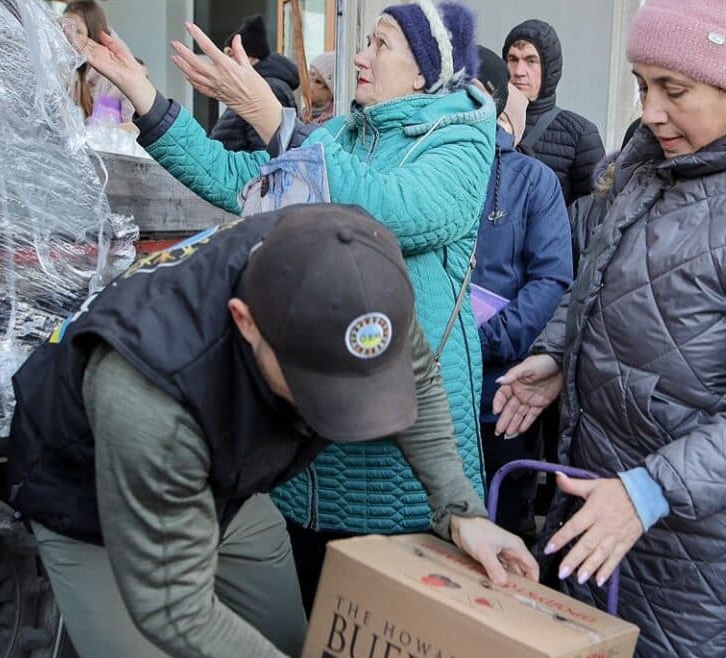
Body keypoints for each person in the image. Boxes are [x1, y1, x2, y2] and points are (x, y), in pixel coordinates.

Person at [66, 1, 494, 609]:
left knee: (379, 633)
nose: (361, 56)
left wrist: (274, 118)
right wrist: (145, 98)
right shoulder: (347, 133)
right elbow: (243, 180)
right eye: (366, 40)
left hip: (400, 435)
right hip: (312, 433)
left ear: (425, 73)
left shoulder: (461, 142)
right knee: (307, 618)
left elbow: (385, 210)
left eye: (381, 45)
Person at [7, 204, 537, 658]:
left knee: (288, 644)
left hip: (231, 477)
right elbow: (173, 607)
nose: (335, 414)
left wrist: (462, 511)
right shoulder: (148, 394)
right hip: (95, 499)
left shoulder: (356, 279)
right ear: (247, 322)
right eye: (317, 388)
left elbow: (416, 376)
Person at [492, 0, 726, 658]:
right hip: (603, 506)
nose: (651, 111)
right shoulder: (657, 162)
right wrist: (557, 355)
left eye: (674, 90)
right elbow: (605, 276)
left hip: (703, 554)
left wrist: (652, 488)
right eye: (642, 85)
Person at [471, 47, 572, 537]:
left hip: (502, 399)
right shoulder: (420, 172)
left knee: (502, 531)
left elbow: (552, 281)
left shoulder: (534, 180)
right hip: (424, 397)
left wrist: (480, 343)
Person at [501, 19, 605, 205]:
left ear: (550, 69)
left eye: (531, 61)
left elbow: (593, 216)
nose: (518, 71)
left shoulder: (580, 134)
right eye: (513, 59)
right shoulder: (486, 122)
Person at [209, 15, 300, 152]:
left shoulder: (269, 89)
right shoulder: (253, 86)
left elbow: (264, 157)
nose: (224, 61)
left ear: (248, 56)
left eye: (229, 53)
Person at [62, 0, 136, 128]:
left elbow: (137, 128)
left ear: (93, 34)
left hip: (115, 147)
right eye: (65, 30)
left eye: (78, 32)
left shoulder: (121, 75)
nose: (70, 39)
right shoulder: (67, 69)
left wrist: (98, 134)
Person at [307, 50, 336, 123]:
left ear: (331, 91)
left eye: (318, 81)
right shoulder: (303, 115)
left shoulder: (332, 122)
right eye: (308, 76)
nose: (309, 84)